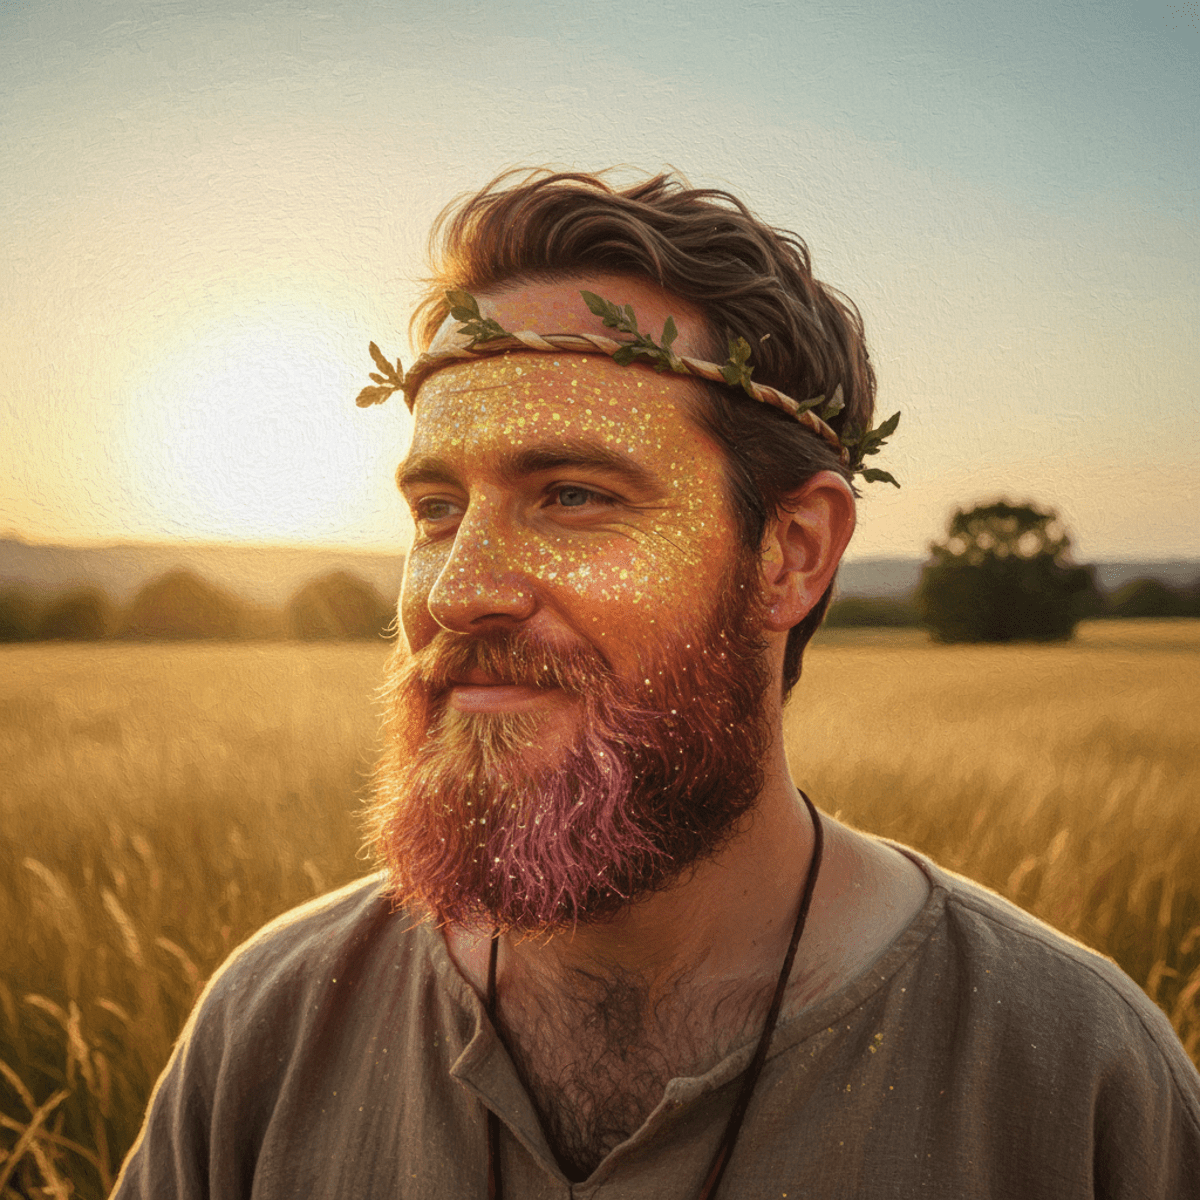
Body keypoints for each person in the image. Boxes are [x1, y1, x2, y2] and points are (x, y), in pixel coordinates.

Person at [112, 170, 1200, 1199]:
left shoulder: (1071, 1076)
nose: (456, 591)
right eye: (436, 510)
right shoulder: (274, 1026)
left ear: (792, 554)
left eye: (574, 493)